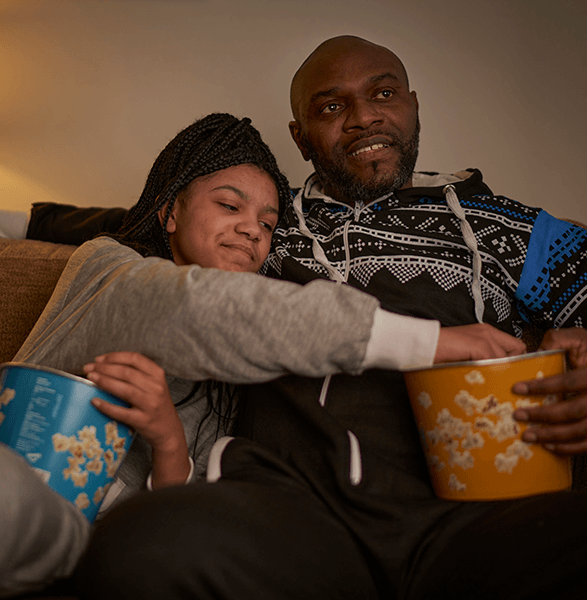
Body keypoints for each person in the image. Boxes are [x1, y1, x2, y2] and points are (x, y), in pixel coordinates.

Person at [66, 36, 587, 600]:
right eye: (332, 107)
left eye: (383, 93)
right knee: (143, 545)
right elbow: (142, 219)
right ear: (301, 136)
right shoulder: (265, 219)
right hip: (286, 513)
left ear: (413, 106)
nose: (364, 117)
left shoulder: (507, 225)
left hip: (478, 510)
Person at [0, 110, 514, 597]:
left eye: (267, 223)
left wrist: (170, 443)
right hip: (28, 499)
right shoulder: (111, 269)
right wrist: (431, 342)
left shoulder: (241, 376)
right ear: (170, 212)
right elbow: (196, 308)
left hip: (105, 550)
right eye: (229, 205)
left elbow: (176, 514)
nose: (251, 229)